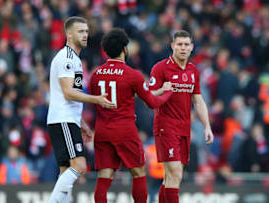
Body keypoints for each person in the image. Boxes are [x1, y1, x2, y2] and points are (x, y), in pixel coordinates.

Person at [89, 28, 173, 203]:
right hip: (124, 130)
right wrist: (167, 93)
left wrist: (157, 91)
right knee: (138, 173)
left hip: (103, 130)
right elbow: (151, 102)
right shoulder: (132, 75)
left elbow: (123, 94)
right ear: (125, 49)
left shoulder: (95, 75)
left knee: (104, 177)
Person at [46, 16, 116, 203]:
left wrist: (81, 122)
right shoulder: (67, 58)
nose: (85, 35)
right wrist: (97, 100)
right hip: (63, 120)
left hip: (67, 119)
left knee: (65, 171)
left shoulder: (74, 59)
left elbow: (69, 95)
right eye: (80, 31)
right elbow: (69, 93)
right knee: (80, 165)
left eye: (86, 31)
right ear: (69, 34)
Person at [148, 30, 214, 203]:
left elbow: (198, 101)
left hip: (184, 128)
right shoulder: (160, 68)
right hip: (165, 126)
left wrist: (207, 126)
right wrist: (162, 89)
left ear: (192, 47)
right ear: (172, 46)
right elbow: (148, 96)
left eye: (186, 45)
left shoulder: (193, 71)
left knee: (171, 177)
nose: (183, 48)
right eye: (179, 44)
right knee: (176, 172)